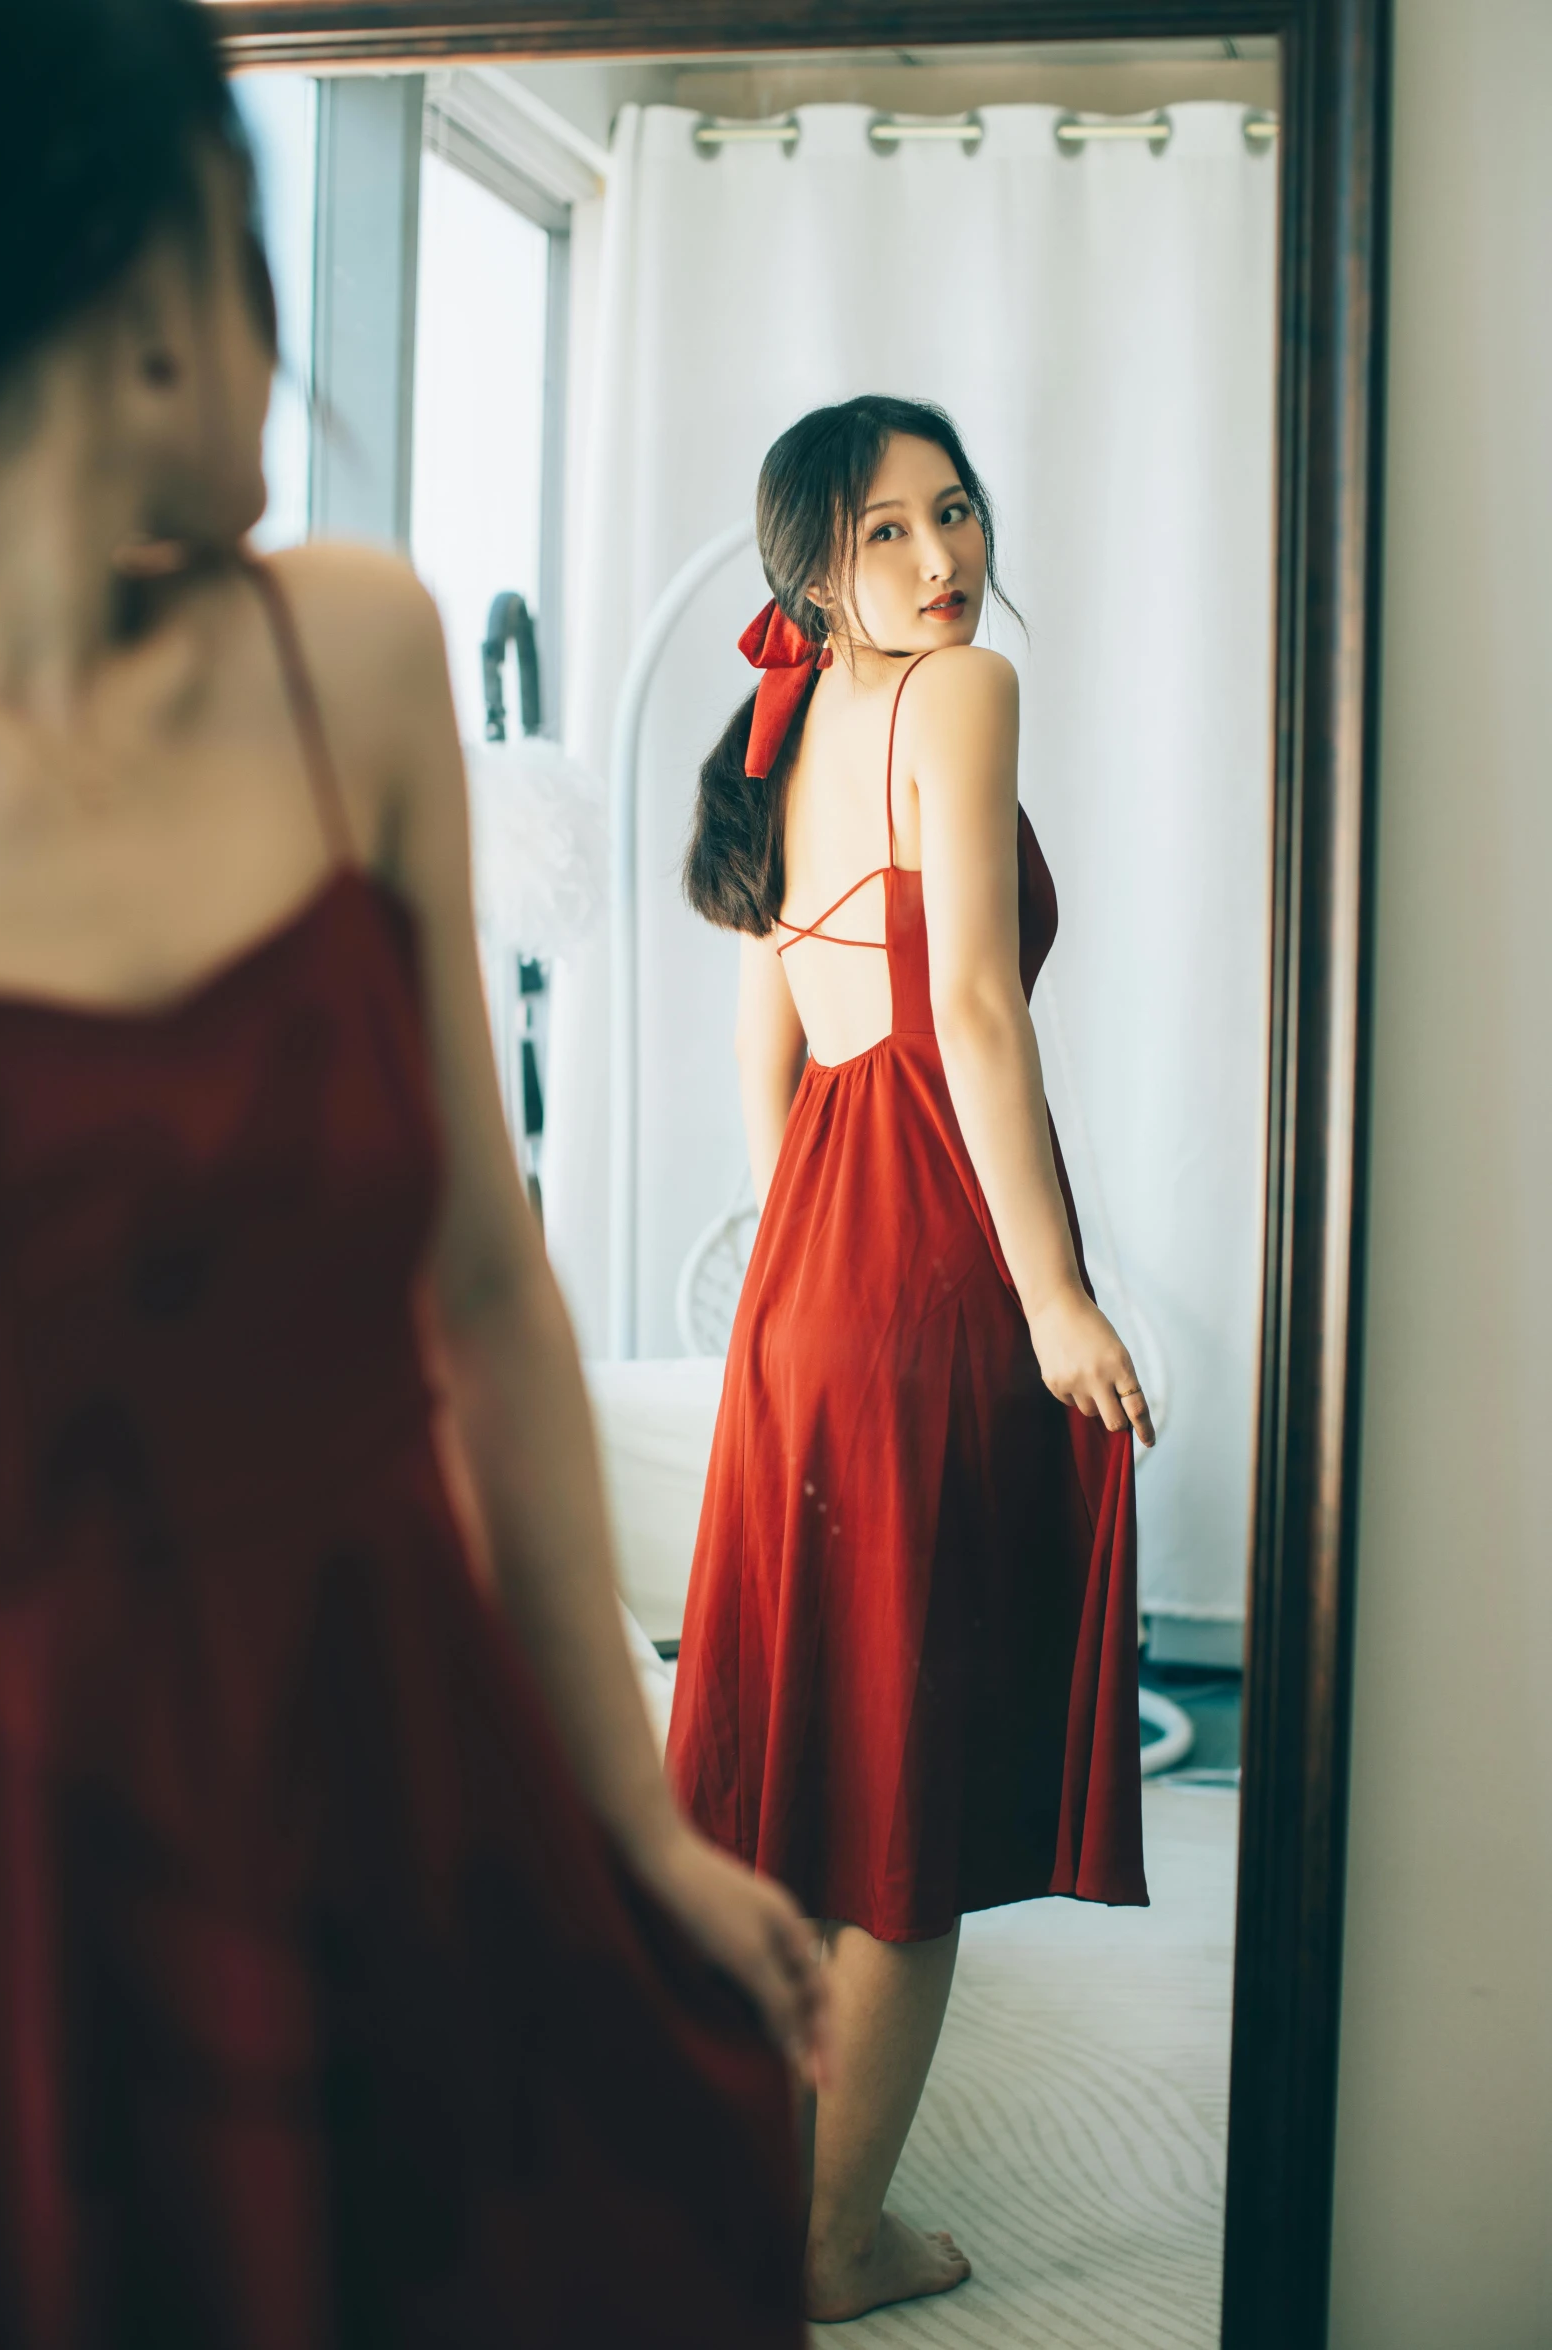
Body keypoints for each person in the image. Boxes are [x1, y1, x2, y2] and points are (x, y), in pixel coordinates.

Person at [0, 3, 823, 2342]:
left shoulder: (348, 655)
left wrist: (636, 1817)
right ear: (160, 274)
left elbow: (485, 1284)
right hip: (45, 1838)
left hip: (390, 1741)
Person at [669, 394, 1155, 2323]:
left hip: (807, 1268)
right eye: (886, 532)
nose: (941, 558)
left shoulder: (775, 733)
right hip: (928, 1249)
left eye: (951, 513)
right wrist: (1044, 1293)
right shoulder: (962, 698)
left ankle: (751, 2203)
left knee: (796, 1768)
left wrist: (816, 1253)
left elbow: (763, 1052)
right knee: (901, 1790)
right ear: (811, 568)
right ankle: (826, 2246)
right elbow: (967, 998)